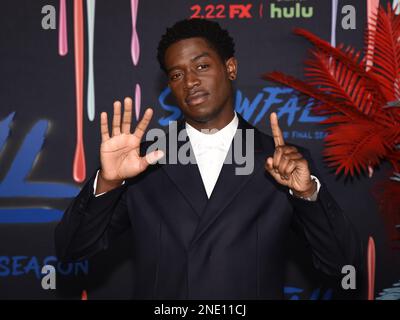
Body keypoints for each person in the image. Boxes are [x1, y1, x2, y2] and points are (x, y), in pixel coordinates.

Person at [55, 18, 361, 299]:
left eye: (201, 66)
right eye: (177, 74)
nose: (190, 82)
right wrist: (109, 181)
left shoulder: (283, 162)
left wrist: (306, 193)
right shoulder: (143, 161)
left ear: (230, 68)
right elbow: (71, 250)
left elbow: (340, 262)